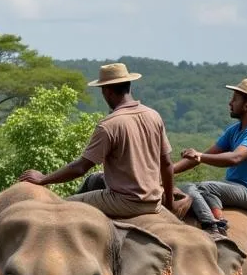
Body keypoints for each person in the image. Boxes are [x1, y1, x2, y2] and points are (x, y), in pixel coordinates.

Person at [20, 62, 174, 218]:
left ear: (107, 91)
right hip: (154, 202)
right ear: (129, 86)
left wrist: (44, 179)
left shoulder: (109, 125)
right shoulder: (154, 116)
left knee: (60, 209)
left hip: (123, 202)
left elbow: (81, 167)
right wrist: (170, 203)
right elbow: (167, 163)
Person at [173, 77, 247, 236]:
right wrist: (167, 171)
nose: (230, 103)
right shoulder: (234, 130)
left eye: (235, 99)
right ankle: (219, 219)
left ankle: (212, 227)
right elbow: (204, 156)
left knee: (200, 188)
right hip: (233, 187)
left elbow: (235, 158)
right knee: (195, 189)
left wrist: (200, 156)